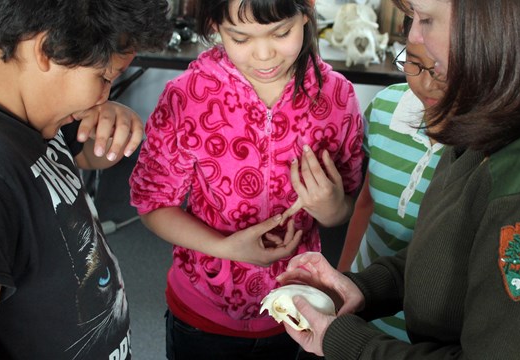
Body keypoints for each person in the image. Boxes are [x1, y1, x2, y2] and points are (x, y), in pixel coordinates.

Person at [277, 0, 520, 358]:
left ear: (495, 25)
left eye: (427, 19)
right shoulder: (490, 115)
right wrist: (362, 287)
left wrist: (347, 344)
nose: (414, 34)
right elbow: (446, 252)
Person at [0, 0, 172, 359]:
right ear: (47, 49)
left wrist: (112, 119)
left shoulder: (19, 101)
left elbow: (88, 154)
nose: (103, 96)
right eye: (105, 78)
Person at [128, 0, 364, 358]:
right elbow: (152, 205)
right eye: (240, 37)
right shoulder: (186, 97)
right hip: (202, 312)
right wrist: (226, 248)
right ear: (215, 28)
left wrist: (332, 209)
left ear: (306, 14)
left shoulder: (336, 97)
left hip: (296, 307)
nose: (264, 55)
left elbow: (346, 206)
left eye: (281, 33)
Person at [336, 15, 445, 342]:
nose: (427, 83)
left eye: (441, 68)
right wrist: (344, 281)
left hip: (429, 333)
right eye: (413, 62)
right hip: (362, 307)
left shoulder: (490, 143)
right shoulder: (384, 108)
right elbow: (366, 204)